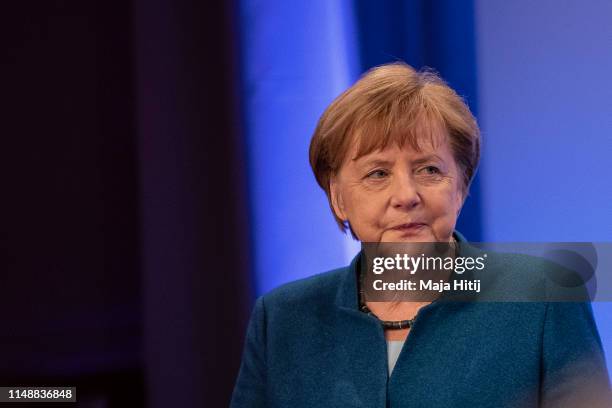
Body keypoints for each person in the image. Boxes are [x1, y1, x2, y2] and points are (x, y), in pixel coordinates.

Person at [230, 63, 611, 407]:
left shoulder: (542, 297)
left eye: (429, 170)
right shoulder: (282, 319)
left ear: (461, 186)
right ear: (338, 198)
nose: (406, 196)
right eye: (377, 174)